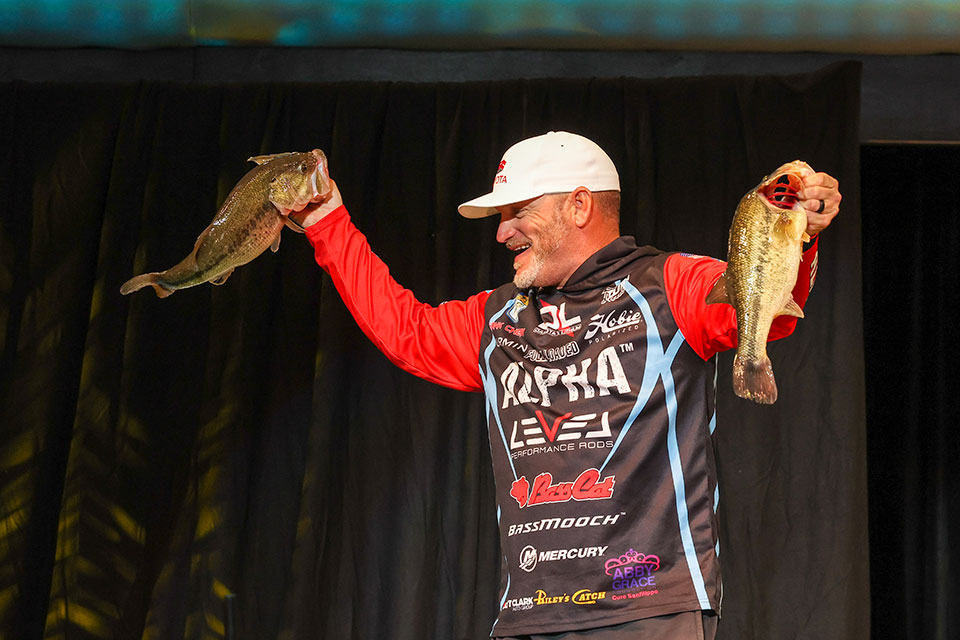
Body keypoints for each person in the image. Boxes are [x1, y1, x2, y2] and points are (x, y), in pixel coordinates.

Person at [288, 132, 841, 639]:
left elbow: (761, 311)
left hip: (647, 608)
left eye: (518, 212)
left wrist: (796, 233)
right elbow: (405, 331)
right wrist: (325, 220)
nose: (502, 232)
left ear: (579, 206)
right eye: (501, 217)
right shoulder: (498, 317)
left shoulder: (669, 284)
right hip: (531, 612)